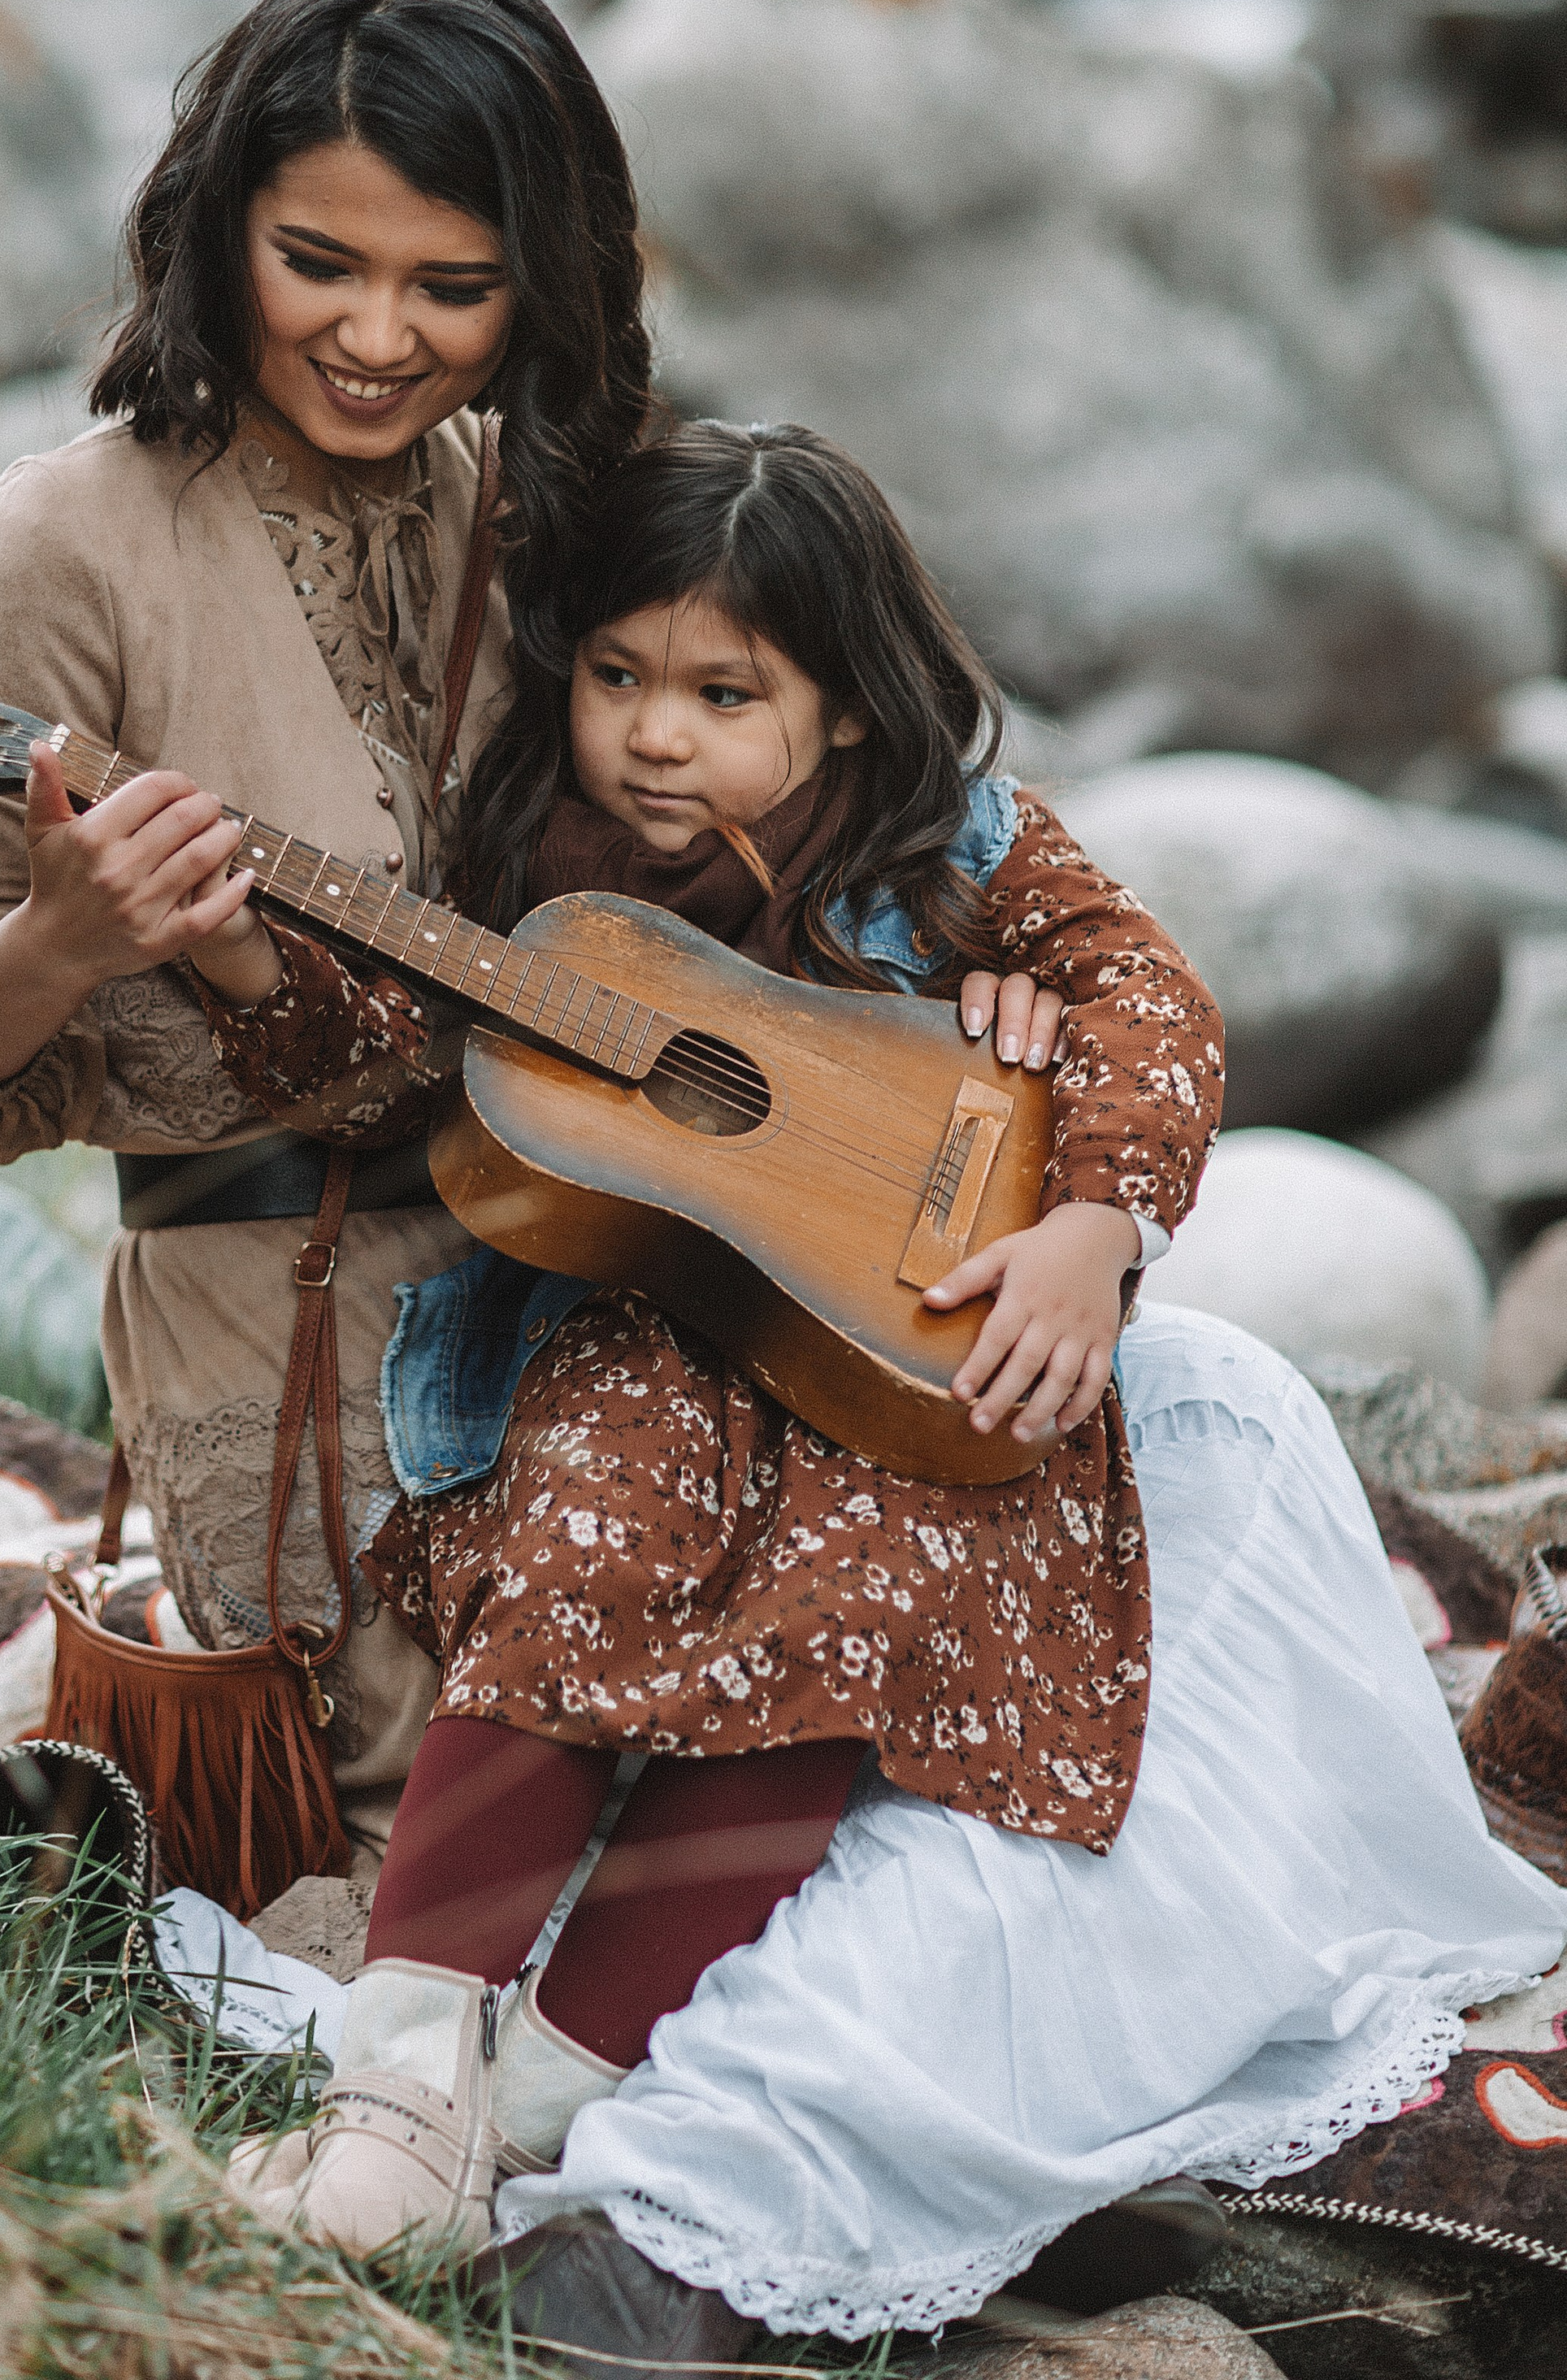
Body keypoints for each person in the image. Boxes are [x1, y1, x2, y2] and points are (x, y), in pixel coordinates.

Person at [171, 420, 1564, 2353]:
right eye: (616, 678)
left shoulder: (947, 842)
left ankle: (554, 2093)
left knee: (861, 1624)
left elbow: (1143, 991)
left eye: (722, 694)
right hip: (640, 1343)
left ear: (834, 712)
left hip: (909, 1349)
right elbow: (379, 1042)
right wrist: (238, 950)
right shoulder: (521, 852)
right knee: (581, 1555)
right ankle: (402, 2080)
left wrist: (1092, 1221)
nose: (654, 736)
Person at [0, 0, 1054, 1904]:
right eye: (322, 264)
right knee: (461, 1888)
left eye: (453, 289)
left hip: (635, 1269)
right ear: (215, 234)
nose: (381, 336)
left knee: (880, 1753)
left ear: (538, 285)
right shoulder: (66, 551)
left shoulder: (542, 498)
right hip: (281, 1330)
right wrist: (56, 941)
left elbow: (829, 801)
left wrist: (987, 998)